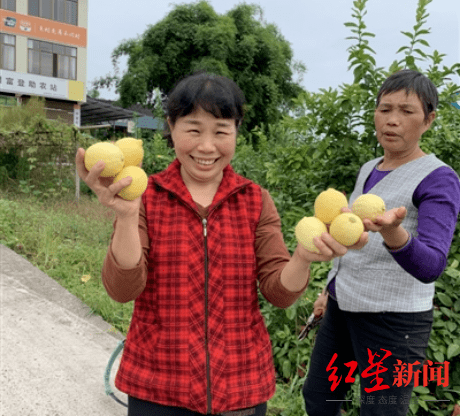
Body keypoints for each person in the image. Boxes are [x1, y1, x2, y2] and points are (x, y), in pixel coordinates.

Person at [75, 72, 365, 416]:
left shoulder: (255, 200)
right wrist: (126, 215)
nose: (207, 146)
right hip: (157, 384)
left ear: (236, 131)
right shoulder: (146, 197)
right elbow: (123, 289)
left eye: (221, 131)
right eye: (193, 129)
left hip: (240, 386)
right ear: (171, 126)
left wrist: (302, 257)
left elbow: (278, 292)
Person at [302, 69, 460, 416]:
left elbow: (432, 265)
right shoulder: (370, 167)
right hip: (344, 307)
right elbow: (351, 236)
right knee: (319, 397)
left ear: (429, 120)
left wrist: (393, 232)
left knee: (381, 410)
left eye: (406, 111)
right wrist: (329, 289)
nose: (392, 120)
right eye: (385, 109)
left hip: (393, 321)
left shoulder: (438, 178)